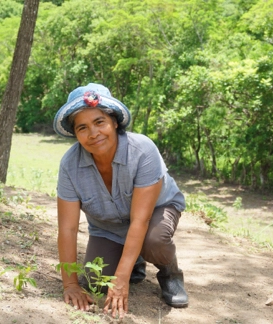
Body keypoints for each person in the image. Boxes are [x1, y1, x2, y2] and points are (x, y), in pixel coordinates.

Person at [53, 83, 188, 318]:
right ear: (75, 134)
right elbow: (67, 228)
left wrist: (121, 281)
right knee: (96, 279)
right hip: (109, 227)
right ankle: (134, 262)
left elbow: (140, 220)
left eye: (99, 122)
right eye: (82, 127)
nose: (93, 133)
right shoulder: (69, 165)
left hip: (154, 213)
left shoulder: (142, 150)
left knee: (154, 241)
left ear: (114, 122)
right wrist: (70, 285)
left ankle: (170, 273)